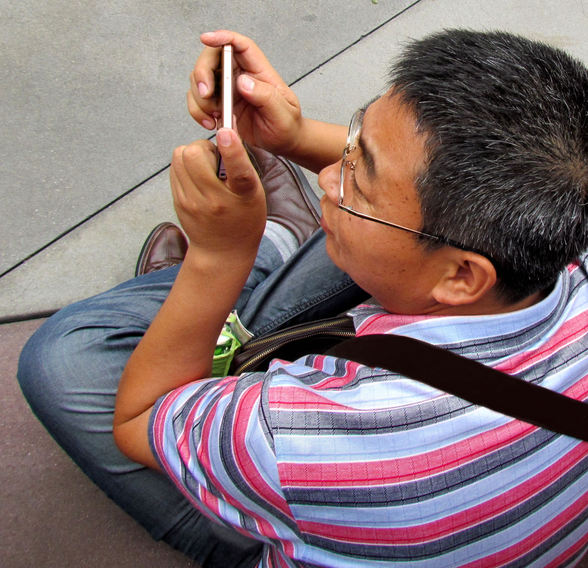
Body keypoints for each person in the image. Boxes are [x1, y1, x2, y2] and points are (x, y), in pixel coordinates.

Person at [18, 29, 588, 567]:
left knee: (63, 356)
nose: (326, 178)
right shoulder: (560, 223)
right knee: (369, 233)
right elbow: (404, 208)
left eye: (358, 173)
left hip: (313, 492)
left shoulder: (303, 435)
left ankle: (250, 261)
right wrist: (288, 139)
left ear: (462, 277)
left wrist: (216, 261)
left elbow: (137, 419)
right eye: (355, 137)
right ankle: (263, 262)